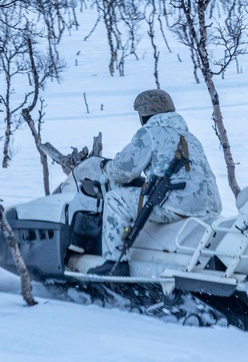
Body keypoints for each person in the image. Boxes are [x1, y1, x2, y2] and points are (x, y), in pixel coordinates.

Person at [89, 89, 222, 276]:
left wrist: (105, 167)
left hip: (177, 203)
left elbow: (124, 170)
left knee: (115, 199)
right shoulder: (190, 137)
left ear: (144, 114)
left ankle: (115, 262)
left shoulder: (150, 133)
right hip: (210, 206)